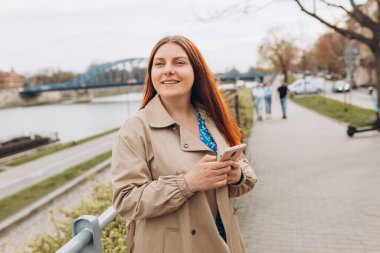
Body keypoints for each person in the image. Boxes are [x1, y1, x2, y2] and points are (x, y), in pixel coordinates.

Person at [111, 35, 257, 253]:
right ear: (151, 74)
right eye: (159, 64)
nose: (168, 70)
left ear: (196, 71)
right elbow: (126, 200)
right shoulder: (136, 128)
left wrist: (236, 175)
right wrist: (187, 183)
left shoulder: (212, 118)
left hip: (225, 242)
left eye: (179, 62)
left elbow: (247, 172)